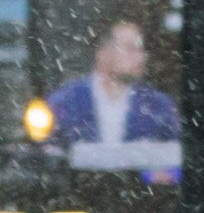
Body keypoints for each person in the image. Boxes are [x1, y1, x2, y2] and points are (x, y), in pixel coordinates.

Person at [39, 18, 179, 175]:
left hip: (142, 197)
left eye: (142, 50)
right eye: (131, 48)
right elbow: (46, 161)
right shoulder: (63, 102)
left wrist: (155, 176)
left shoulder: (158, 105)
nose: (141, 57)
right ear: (103, 53)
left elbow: (178, 163)